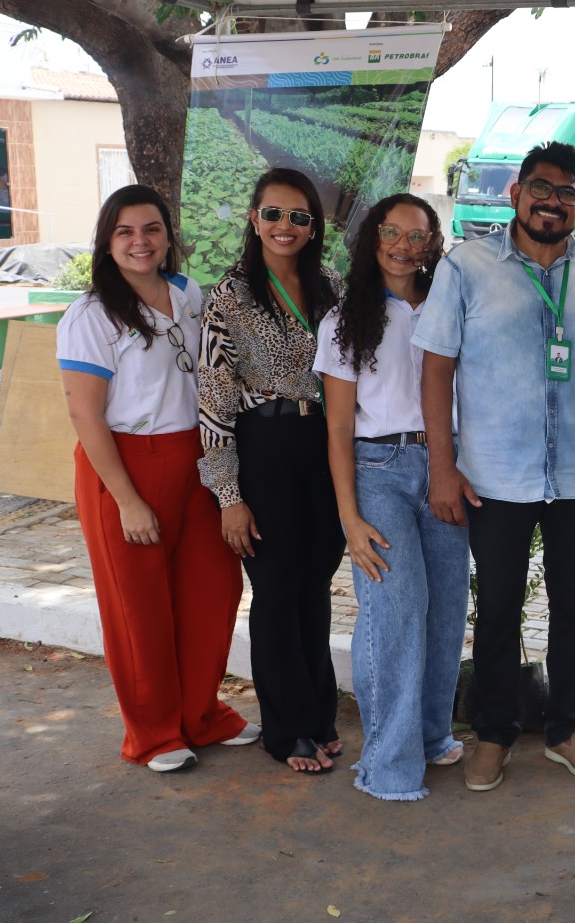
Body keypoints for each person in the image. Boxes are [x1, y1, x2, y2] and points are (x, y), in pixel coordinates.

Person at [415, 140, 575, 792]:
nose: (551, 202)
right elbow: (436, 368)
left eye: (567, 193)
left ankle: (566, 729)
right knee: (499, 612)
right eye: (541, 187)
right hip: (494, 478)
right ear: (516, 194)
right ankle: (494, 734)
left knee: (573, 610)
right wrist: (442, 467)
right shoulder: (467, 267)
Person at [57, 184, 257, 773]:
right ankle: (153, 734)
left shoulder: (188, 293)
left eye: (151, 229)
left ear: (169, 235)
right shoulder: (90, 315)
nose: (140, 242)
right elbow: (85, 415)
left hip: (197, 460)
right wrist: (127, 500)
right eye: (125, 232)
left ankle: (201, 714)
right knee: (138, 608)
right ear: (107, 242)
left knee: (213, 590)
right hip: (126, 467)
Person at [314, 194, 468, 801]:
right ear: (371, 238)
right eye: (391, 232)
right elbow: (336, 428)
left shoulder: (448, 306)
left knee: (445, 608)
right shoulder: (345, 319)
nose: (404, 245)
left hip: (445, 466)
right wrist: (349, 516)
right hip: (378, 469)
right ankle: (388, 765)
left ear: (432, 243)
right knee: (396, 610)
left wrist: (457, 467)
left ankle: (430, 735)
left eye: (417, 235)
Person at [198, 167, 344, 774]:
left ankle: (320, 717)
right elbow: (213, 399)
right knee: (278, 590)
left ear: (313, 227)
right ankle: (286, 731)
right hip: (266, 442)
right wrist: (229, 495)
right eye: (274, 214)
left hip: (327, 442)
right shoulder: (230, 295)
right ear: (254, 219)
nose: (286, 226)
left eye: (299, 217)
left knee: (316, 585)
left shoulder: (331, 287)